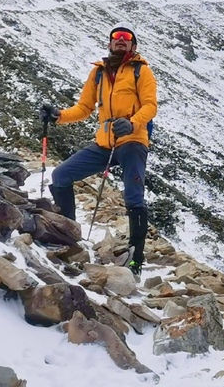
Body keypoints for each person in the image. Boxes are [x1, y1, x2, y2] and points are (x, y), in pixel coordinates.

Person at [41, 24, 158, 278]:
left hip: (132, 141)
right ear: (109, 43)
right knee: (61, 176)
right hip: (104, 143)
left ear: (133, 46)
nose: (120, 40)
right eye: (116, 37)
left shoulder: (141, 71)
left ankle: (136, 259)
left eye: (126, 38)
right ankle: (68, 233)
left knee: (134, 198)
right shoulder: (98, 73)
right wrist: (58, 116)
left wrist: (133, 124)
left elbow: (150, 106)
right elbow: (84, 108)